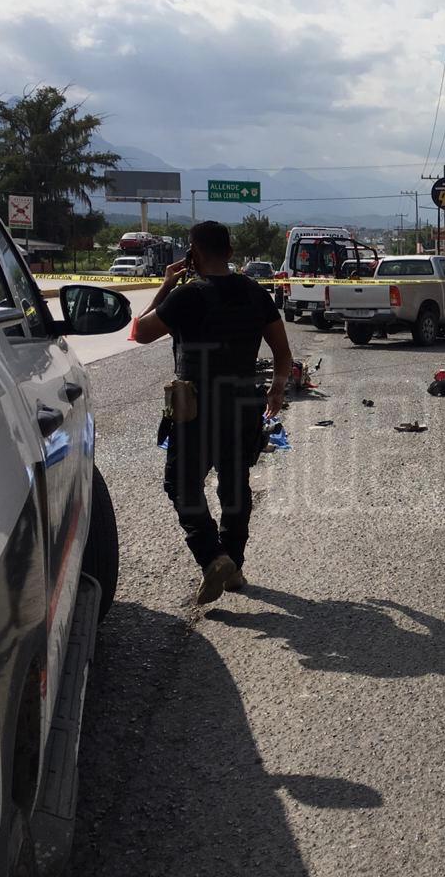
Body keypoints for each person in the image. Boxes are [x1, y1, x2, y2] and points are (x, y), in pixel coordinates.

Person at [134, 221, 293, 605]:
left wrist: (168, 282)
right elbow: (282, 353)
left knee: (182, 485)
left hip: (195, 406)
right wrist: (275, 389)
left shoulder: (188, 295)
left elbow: (140, 332)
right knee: (234, 484)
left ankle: (213, 556)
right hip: (242, 403)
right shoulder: (256, 293)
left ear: (194, 252)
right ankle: (233, 563)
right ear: (231, 251)